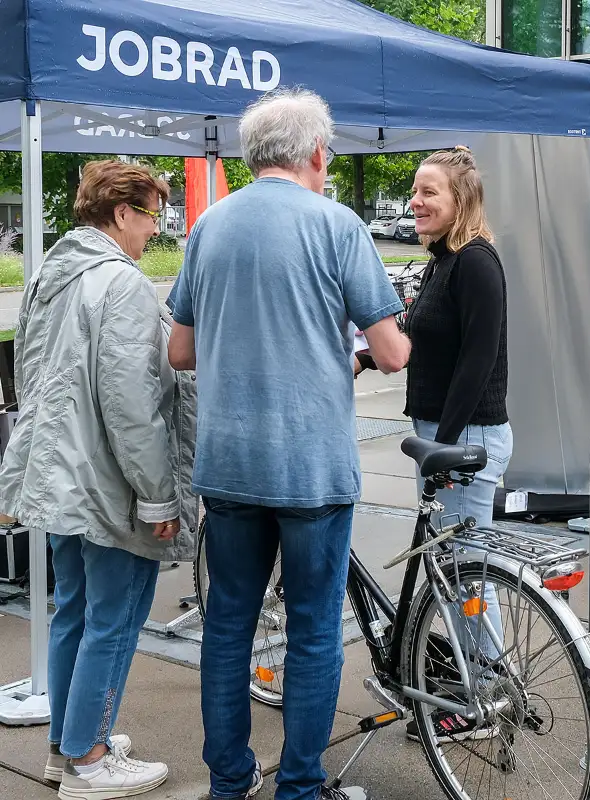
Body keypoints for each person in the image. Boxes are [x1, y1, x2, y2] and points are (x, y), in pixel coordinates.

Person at [167, 87, 410, 800]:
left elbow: (180, 351)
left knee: (227, 626)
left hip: (229, 464)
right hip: (311, 467)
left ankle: (229, 782)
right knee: (312, 631)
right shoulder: (338, 226)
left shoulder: (209, 226)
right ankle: (300, 786)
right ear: (317, 154)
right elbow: (392, 352)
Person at [0, 160, 198, 800]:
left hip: (58, 477)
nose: (155, 229)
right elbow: (131, 403)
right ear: (121, 213)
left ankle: (69, 745)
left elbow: (28, 375)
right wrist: (159, 496)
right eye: (151, 216)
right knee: (113, 619)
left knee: (75, 614)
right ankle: (88, 760)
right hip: (108, 481)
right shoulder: (121, 282)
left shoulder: (50, 274)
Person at [401, 147, 512, 742]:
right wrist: (365, 357)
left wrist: (443, 445)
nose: (416, 202)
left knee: (468, 576)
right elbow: (427, 340)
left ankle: (487, 698)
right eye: (415, 191)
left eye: (429, 192)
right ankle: (476, 683)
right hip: (445, 435)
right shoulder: (443, 260)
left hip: (465, 437)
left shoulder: (475, 262)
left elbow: (478, 359)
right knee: (454, 573)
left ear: (460, 199)